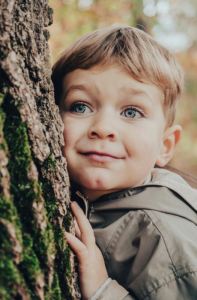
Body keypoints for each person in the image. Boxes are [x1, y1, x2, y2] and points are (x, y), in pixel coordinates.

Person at [52, 25, 197, 300]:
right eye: (80, 106)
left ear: (165, 147)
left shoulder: (165, 239)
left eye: (131, 112)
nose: (103, 128)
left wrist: (104, 291)